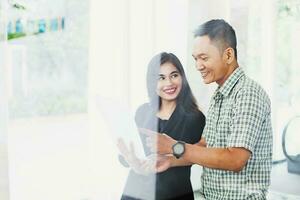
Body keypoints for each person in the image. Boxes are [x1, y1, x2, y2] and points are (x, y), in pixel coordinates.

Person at [142, 19, 273, 200]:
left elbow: (235, 159)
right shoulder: (219, 96)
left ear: (228, 55)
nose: (198, 66)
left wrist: (173, 145)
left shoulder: (248, 94)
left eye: (204, 58)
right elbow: (204, 146)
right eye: (196, 59)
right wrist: (170, 160)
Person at [118, 52, 206, 200]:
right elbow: (128, 152)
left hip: (173, 194)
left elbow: (197, 155)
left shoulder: (194, 118)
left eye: (174, 75)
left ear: (182, 78)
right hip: (135, 193)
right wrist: (129, 158)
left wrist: (170, 156)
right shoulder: (142, 112)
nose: (169, 83)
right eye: (161, 78)